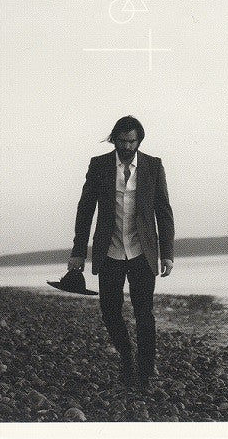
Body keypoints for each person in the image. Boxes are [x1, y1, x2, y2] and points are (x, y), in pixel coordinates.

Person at [68, 115, 174, 390]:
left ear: (139, 141)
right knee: (109, 311)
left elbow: (163, 211)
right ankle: (127, 356)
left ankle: (145, 371)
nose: (127, 146)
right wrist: (78, 251)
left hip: (142, 251)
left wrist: (167, 253)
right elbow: (85, 209)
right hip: (110, 251)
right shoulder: (99, 165)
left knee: (144, 313)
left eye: (132, 141)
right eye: (123, 141)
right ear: (114, 139)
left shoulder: (153, 166)